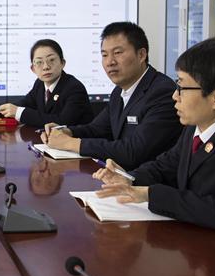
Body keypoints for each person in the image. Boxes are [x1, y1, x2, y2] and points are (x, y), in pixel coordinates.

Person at [92, 37, 215, 265]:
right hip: (201, 249)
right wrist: (127, 178)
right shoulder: (194, 128)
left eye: (182, 87)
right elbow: (164, 166)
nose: (174, 96)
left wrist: (150, 194)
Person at [42, 22, 181, 169]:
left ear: (141, 55)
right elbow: (97, 129)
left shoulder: (163, 92)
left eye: (118, 53)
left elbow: (134, 152)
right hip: (117, 175)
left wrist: (71, 143)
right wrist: (67, 131)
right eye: (104, 55)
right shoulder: (118, 91)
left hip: (146, 179)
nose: (110, 62)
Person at [0, 38, 93, 126]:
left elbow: (62, 122)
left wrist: (19, 112)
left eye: (51, 60)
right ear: (33, 69)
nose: (46, 67)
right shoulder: (39, 84)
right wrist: (3, 110)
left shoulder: (74, 88)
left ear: (62, 63)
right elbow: (25, 103)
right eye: (39, 62)